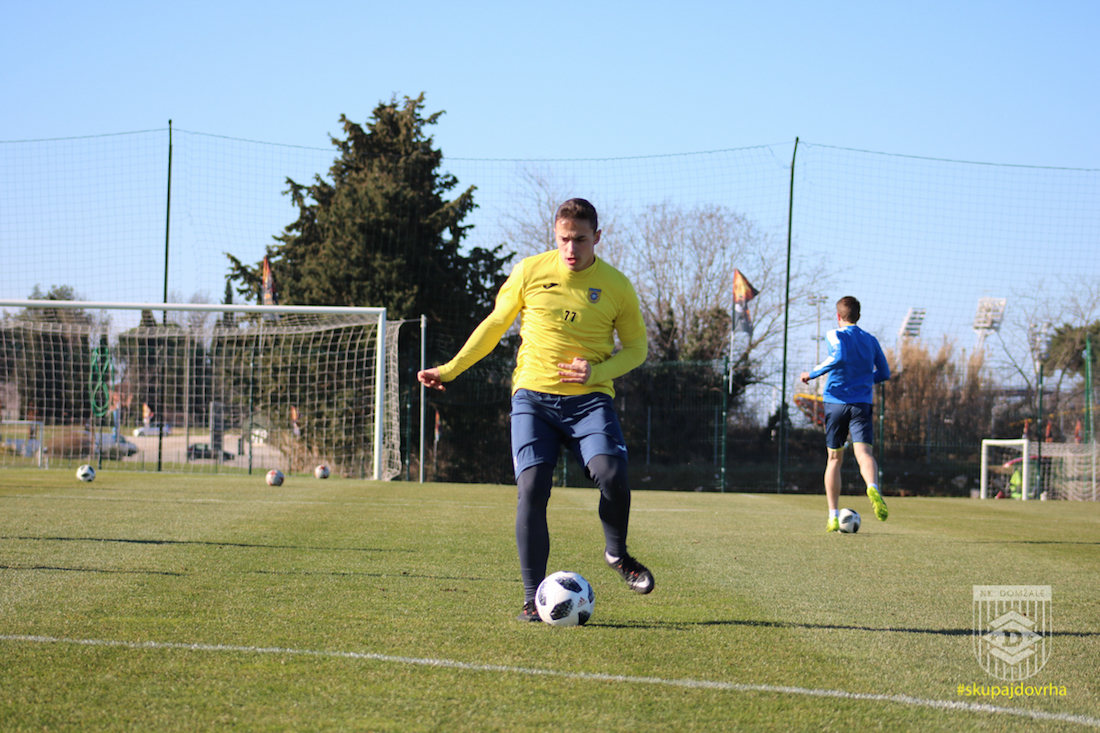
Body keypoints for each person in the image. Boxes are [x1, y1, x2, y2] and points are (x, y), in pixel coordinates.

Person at [417, 198, 654, 621]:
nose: (571, 248)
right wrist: (449, 370)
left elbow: (637, 348)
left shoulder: (617, 286)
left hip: (590, 400)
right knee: (532, 487)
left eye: (580, 239)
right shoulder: (529, 271)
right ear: (555, 235)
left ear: (597, 237)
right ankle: (532, 597)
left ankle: (617, 554)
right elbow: (494, 325)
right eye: (564, 239)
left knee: (613, 475)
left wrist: (597, 370)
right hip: (533, 399)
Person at [800, 296, 891, 532]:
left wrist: (812, 373)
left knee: (834, 460)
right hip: (861, 403)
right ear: (858, 316)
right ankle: (872, 487)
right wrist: (864, 381)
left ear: (838, 316)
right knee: (864, 454)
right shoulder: (871, 340)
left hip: (836, 403)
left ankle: (833, 515)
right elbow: (885, 372)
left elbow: (838, 356)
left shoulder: (834, 334)